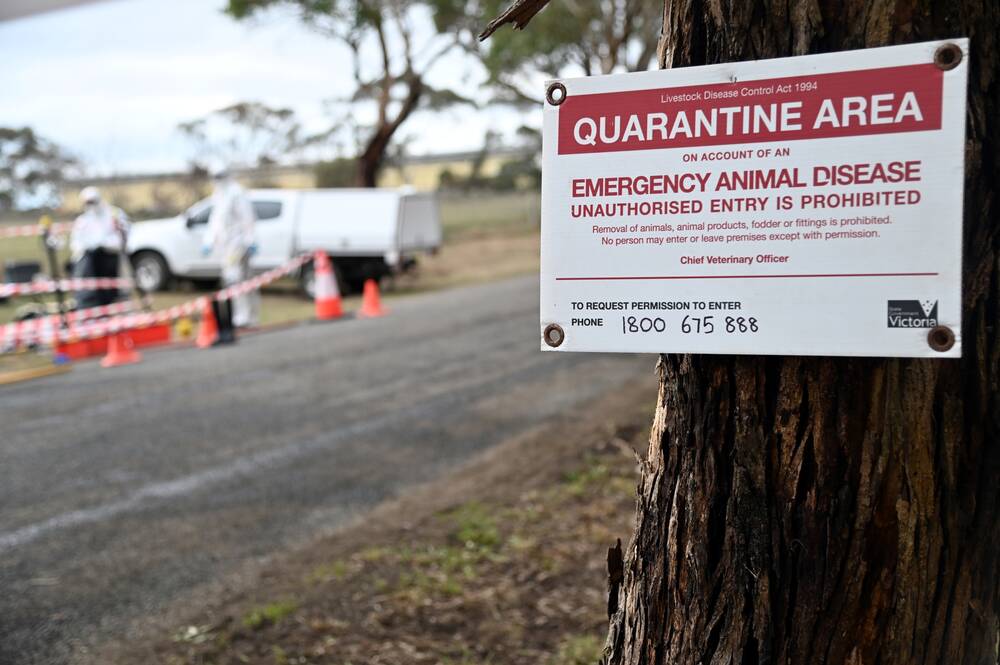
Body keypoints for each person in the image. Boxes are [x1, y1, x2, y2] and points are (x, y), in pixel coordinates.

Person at [203, 167, 258, 335]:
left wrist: (251, 239)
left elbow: (247, 218)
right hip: (226, 246)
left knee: (237, 279)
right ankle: (240, 316)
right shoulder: (218, 195)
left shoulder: (236, 193)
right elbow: (215, 222)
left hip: (238, 243)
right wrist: (208, 241)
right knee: (234, 280)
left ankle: (245, 317)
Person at [70, 187, 129, 309]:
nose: (90, 205)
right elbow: (75, 242)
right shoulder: (83, 220)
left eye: (92, 201)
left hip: (111, 258)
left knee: (112, 290)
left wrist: (105, 244)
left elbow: (124, 235)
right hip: (89, 261)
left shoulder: (114, 214)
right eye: (87, 202)